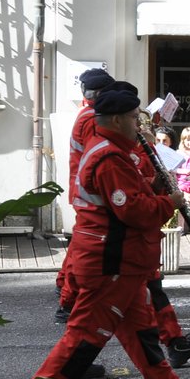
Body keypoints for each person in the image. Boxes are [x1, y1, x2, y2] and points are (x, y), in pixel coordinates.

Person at [18, 82, 190, 379]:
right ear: (120, 119)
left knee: (142, 334)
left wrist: (153, 187)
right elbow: (134, 212)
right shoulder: (108, 156)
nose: (139, 125)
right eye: (135, 119)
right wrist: (170, 201)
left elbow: (127, 197)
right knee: (83, 340)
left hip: (124, 263)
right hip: (111, 264)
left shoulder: (114, 152)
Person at [55, 67, 114, 327]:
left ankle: (65, 286)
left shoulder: (86, 113)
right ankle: (68, 296)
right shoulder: (92, 119)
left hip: (83, 188)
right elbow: (100, 153)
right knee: (83, 246)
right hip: (90, 192)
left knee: (80, 243)